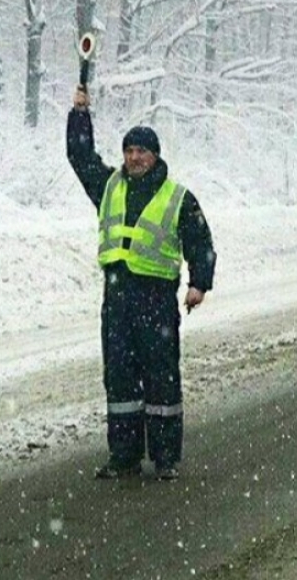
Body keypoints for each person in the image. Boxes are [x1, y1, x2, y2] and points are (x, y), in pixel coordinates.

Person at [66, 85, 216, 481]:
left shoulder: (177, 196)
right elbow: (80, 157)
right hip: (117, 299)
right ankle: (124, 457)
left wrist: (199, 283)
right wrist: (79, 114)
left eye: (142, 152)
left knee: (161, 379)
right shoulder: (109, 186)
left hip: (156, 299)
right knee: (119, 380)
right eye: (129, 151)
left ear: (155, 156)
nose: (134, 158)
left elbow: (200, 241)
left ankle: (165, 458)